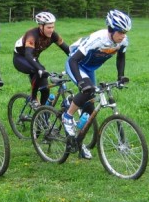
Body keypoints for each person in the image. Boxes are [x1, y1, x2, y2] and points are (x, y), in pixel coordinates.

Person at [62, 10, 132, 159]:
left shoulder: (123, 41)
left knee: (89, 109)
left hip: (89, 68)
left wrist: (120, 77)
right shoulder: (98, 39)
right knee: (87, 90)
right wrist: (81, 82)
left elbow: (121, 58)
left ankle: (78, 142)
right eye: (120, 32)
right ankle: (67, 116)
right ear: (111, 30)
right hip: (76, 63)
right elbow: (73, 60)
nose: (123, 35)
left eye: (125, 32)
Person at [13, 12, 70, 108]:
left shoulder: (53, 35)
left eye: (53, 27)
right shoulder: (31, 35)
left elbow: (67, 49)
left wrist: (77, 59)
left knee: (45, 90)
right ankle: (33, 98)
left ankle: (41, 114)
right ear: (40, 26)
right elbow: (28, 54)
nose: (51, 30)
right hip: (21, 58)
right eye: (49, 27)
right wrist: (39, 69)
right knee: (38, 70)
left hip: (33, 59)